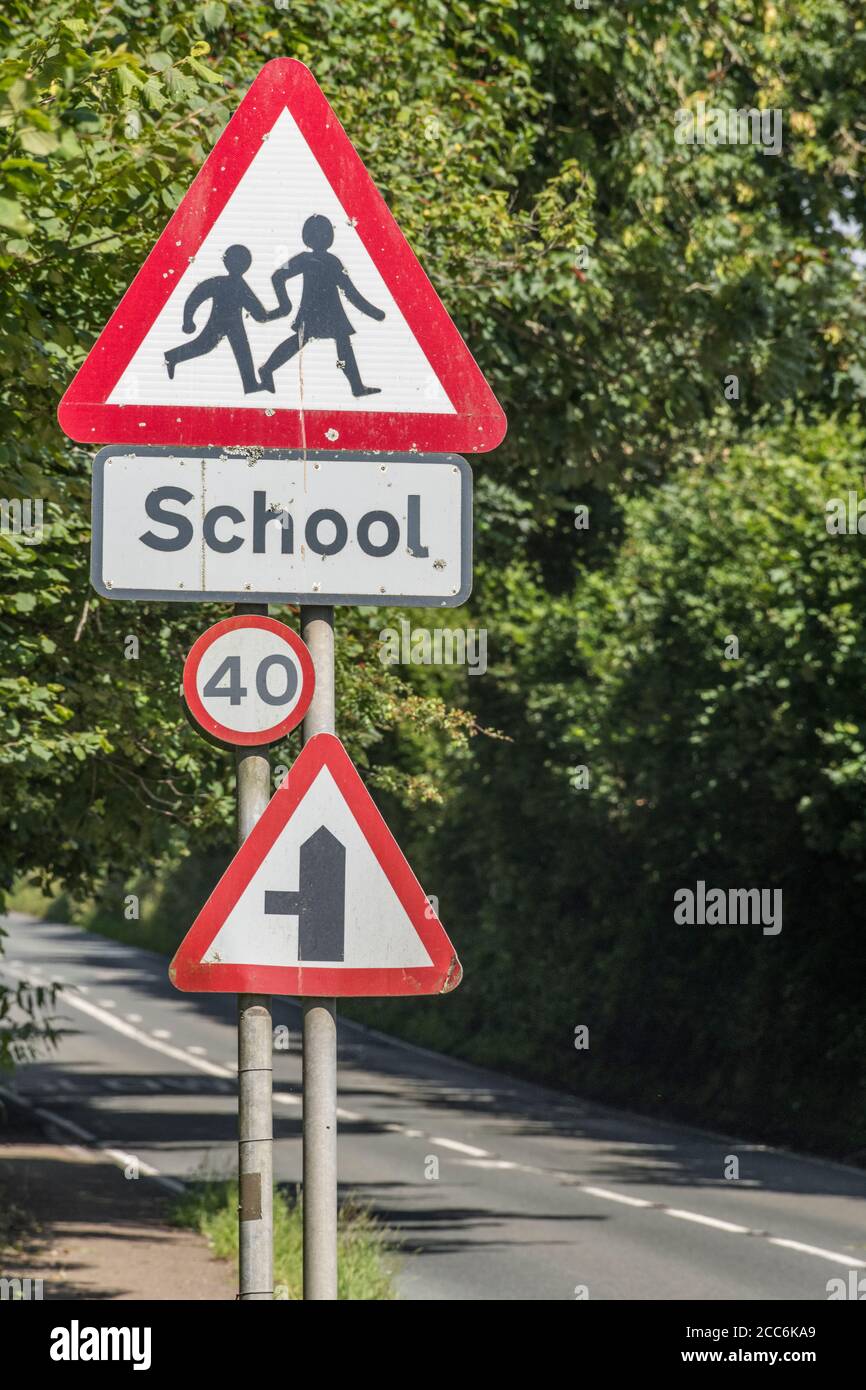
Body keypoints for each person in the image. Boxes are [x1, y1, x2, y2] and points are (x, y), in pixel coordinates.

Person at [258, 214, 386, 396]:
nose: (324, 238)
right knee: (313, 342)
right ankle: (267, 369)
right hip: (320, 310)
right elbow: (350, 291)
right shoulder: (320, 260)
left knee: (334, 343)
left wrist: (284, 304)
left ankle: (356, 386)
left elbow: (349, 291)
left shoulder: (313, 259)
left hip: (325, 310)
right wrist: (374, 313)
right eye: (322, 234)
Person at [165, 244, 272, 394]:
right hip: (222, 323)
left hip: (232, 324)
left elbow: (258, 313)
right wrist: (187, 320)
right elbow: (196, 296)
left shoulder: (225, 282)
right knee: (205, 346)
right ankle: (172, 356)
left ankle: (250, 385)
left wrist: (188, 320)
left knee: (240, 351)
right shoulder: (229, 283)